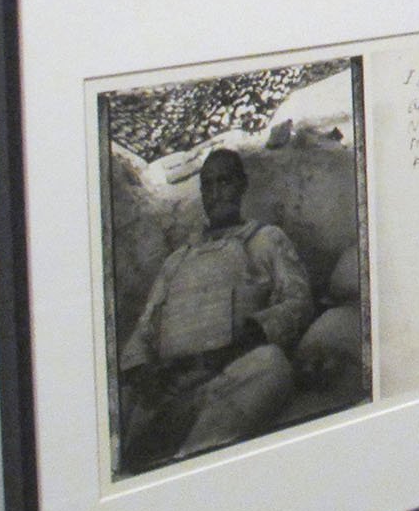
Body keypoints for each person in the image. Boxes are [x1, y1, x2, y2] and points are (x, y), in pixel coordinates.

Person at [117, 147, 315, 473]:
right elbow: (145, 329)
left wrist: (249, 335)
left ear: (241, 185)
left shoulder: (265, 239)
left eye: (224, 182)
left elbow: (298, 302)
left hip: (227, 377)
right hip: (171, 387)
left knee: (272, 365)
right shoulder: (177, 260)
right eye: (207, 185)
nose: (216, 192)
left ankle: (191, 461)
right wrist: (144, 374)